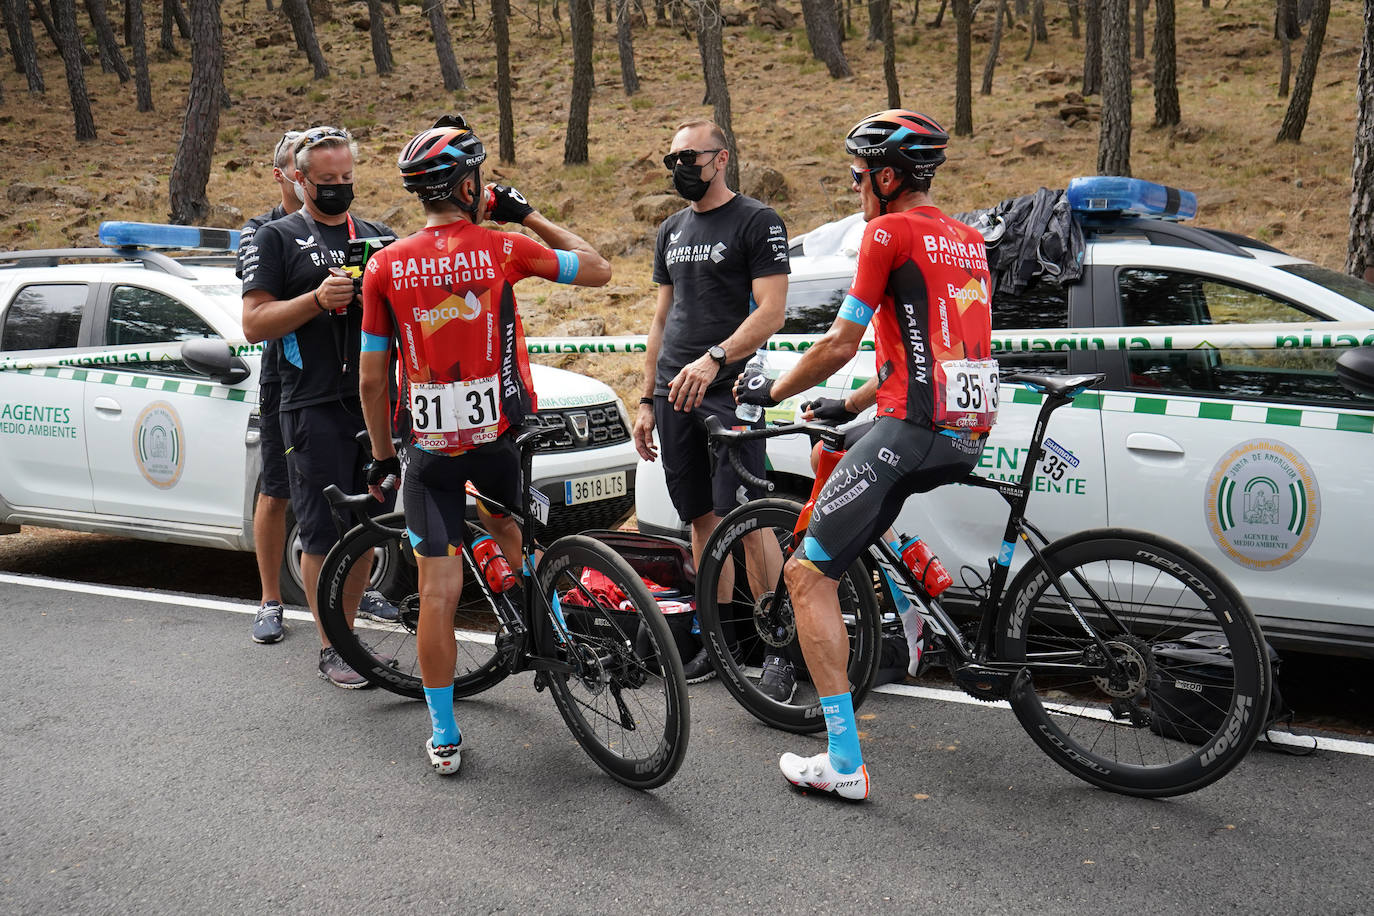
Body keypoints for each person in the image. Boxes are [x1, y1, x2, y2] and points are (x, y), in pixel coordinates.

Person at [735, 110, 995, 801]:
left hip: (912, 429)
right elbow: (916, 354)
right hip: (962, 428)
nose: (854, 188)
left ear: (886, 177)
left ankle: (843, 761)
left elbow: (839, 345)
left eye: (857, 176)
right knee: (871, 506)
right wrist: (846, 409)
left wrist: (774, 387)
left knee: (806, 575)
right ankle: (927, 622)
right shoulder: (966, 240)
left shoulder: (887, 232)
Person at [358, 115, 611, 775]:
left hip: (432, 453)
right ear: (470, 184)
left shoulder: (384, 265)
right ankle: (542, 628)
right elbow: (599, 269)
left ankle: (444, 735)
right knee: (514, 534)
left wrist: (385, 458)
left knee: (438, 593)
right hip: (503, 438)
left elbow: (370, 378)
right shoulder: (501, 248)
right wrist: (526, 214)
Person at [631, 118, 791, 692]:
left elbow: (771, 311)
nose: (678, 169)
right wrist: (647, 397)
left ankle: (780, 645)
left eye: (688, 158)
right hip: (674, 391)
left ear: (721, 158)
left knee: (750, 519)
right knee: (700, 516)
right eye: (670, 159)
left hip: (730, 388)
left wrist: (716, 359)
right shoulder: (671, 228)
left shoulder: (757, 220)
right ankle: (717, 641)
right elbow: (660, 319)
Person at [240, 125, 401, 688]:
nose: (337, 187)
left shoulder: (379, 235)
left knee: (367, 524)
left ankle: (349, 635)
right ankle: (331, 644)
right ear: (300, 179)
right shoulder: (277, 237)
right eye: (326, 180)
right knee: (321, 528)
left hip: (376, 397)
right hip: (310, 401)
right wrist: (315, 299)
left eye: (346, 178)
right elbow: (254, 322)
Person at [239, 129, 302, 645]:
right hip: (284, 378)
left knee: (353, 487)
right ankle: (269, 599)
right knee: (276, 488)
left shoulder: (346, 224)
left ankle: (353, 584)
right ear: (281, 174)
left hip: (343, 376)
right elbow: (261, 303)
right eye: (299, 171)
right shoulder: (259, 230)